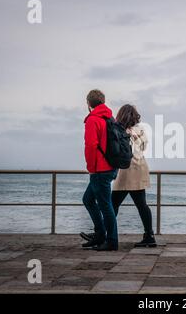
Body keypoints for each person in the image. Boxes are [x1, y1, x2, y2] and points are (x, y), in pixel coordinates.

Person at [112, 104, 157, 247]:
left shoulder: (121, 130)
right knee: (141, 204)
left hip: (127, 169)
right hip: (141, 166)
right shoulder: (142, 130)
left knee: (113, 204)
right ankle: (149, 235)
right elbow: (143, 148)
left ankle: (107, 234)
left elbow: (119, 151)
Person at [81, 89, 119, 251]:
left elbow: (90, 146)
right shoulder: (110, 117)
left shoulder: (93, 120)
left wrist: (91, 169)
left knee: (105, 205)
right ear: (102, 102)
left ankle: (111, 241)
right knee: (88, 199)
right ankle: (100, 234)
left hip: (100, 169)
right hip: (111, 166)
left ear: (89, 104)